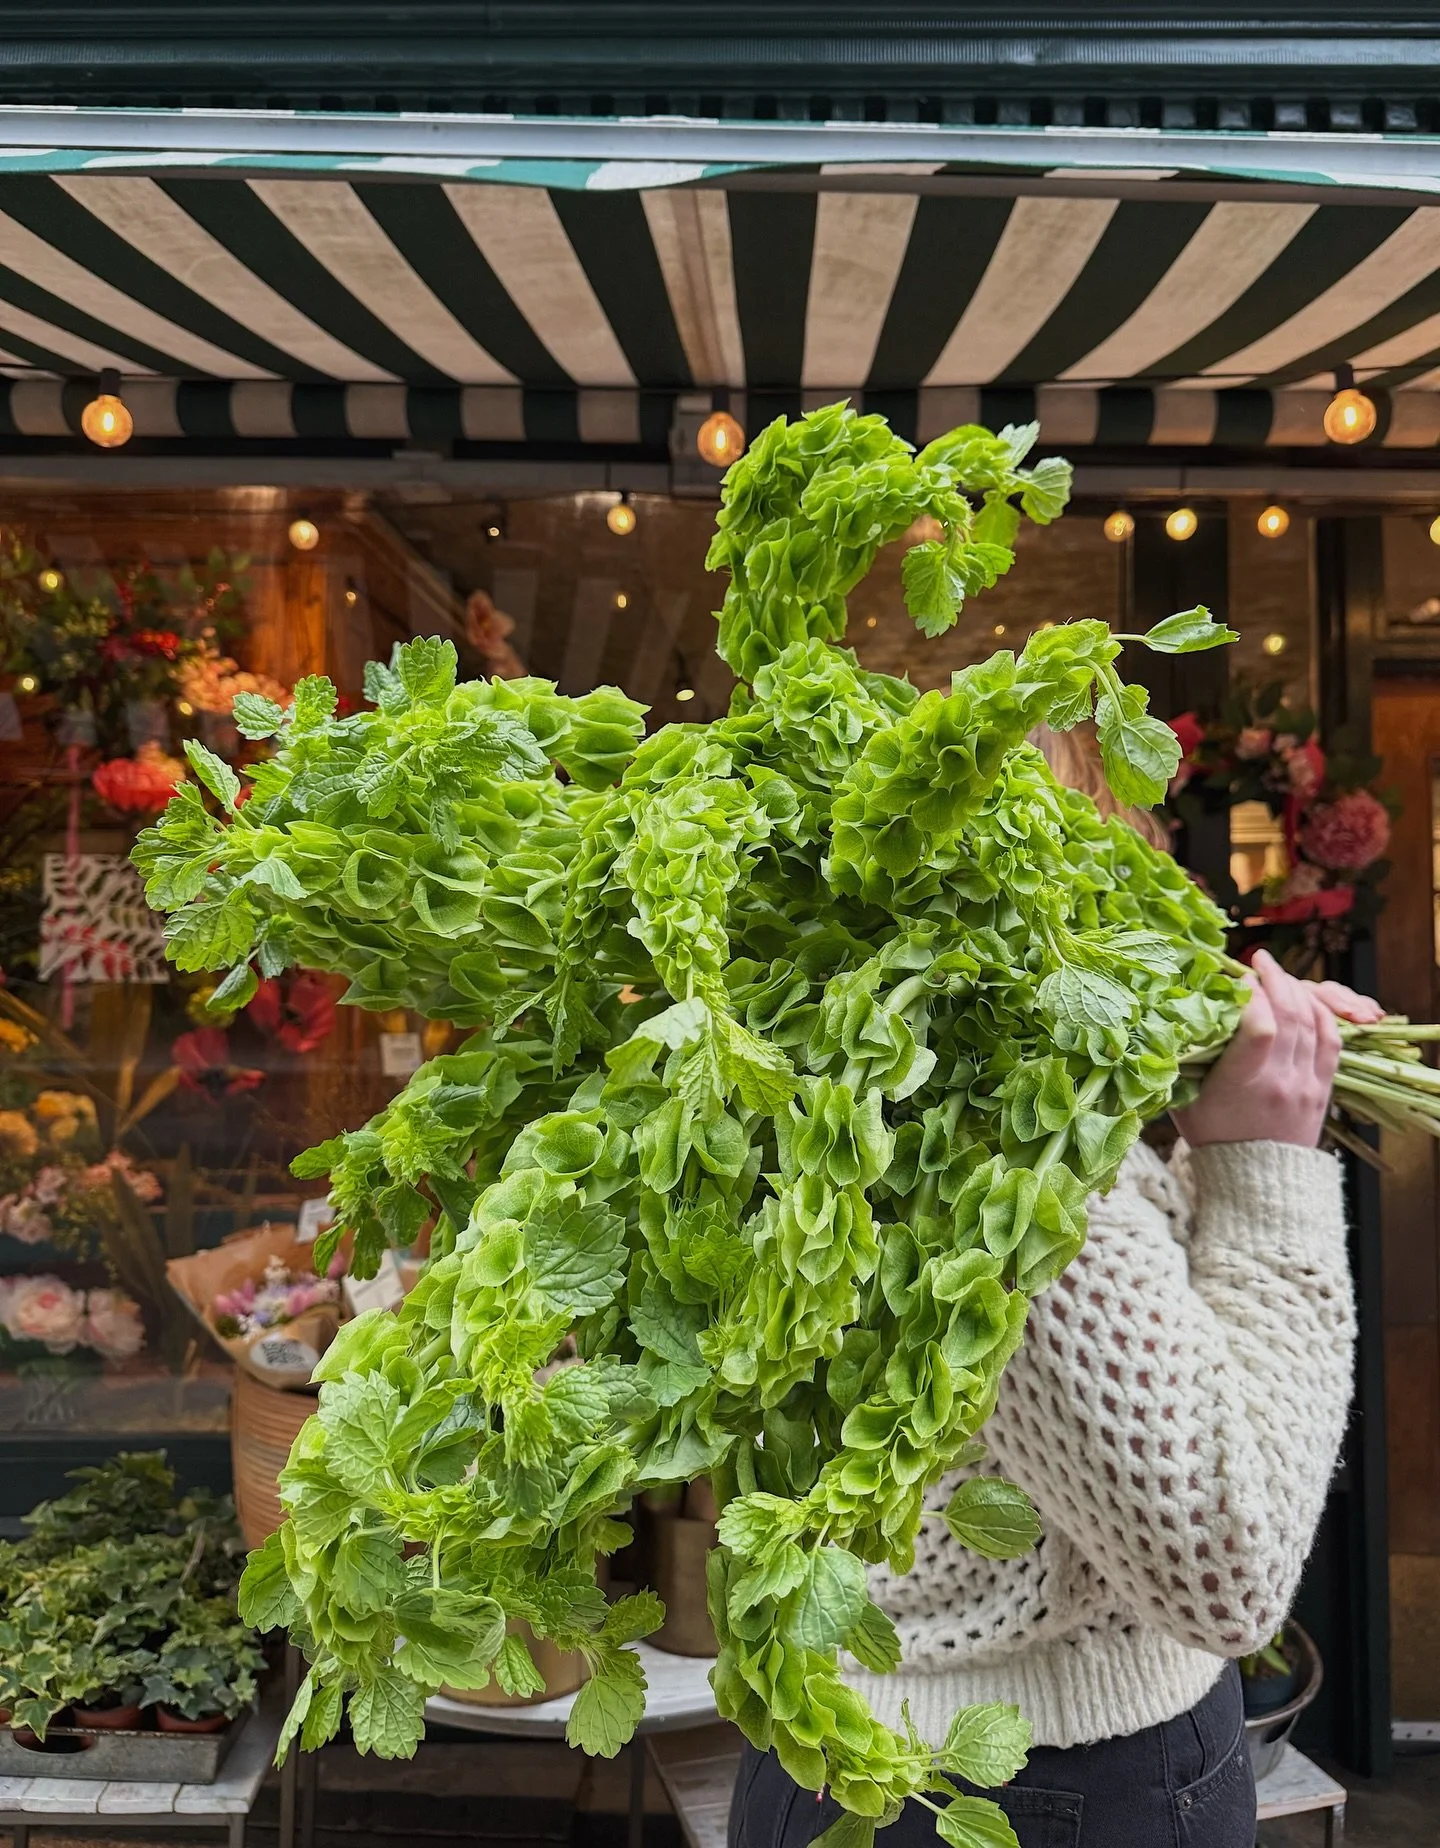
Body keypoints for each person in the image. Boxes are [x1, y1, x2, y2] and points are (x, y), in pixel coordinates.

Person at [729, 723, 1382, 1848]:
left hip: (898, 1756)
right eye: (1133, 847)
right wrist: (1264, 1170)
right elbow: (1229, 1568)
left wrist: (1207, 1112)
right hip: (1037, 1790)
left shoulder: (850, 1090)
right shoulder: (1011, 1164)